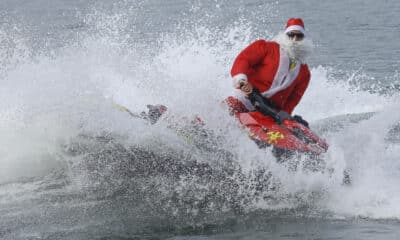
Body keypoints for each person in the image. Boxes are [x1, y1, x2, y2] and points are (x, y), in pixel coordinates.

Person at [226, 18, 313, 124]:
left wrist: (284, 115)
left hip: (269, 114)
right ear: (285, 35)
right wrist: (241, 81)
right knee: (227, 108)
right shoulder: (266, 48)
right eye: (291, 35)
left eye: (299, 36)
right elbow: (243, 60)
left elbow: (292, 100)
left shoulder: (304, 73)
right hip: (245, 98)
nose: (294, 39)